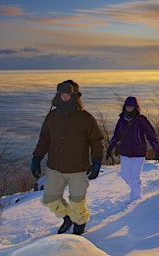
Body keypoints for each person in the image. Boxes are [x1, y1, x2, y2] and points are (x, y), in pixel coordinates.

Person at [31, 80, 104, 235]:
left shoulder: (85, 118)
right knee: (51, 198)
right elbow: (44, 139)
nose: (64, 97)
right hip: (55, 166)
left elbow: (96, 141)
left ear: (74, 96)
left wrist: (97, 161)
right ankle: (68, 217)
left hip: (77, 167)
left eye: (68, 94)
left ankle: (80, 226)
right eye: (62, 94)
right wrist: (37, 158)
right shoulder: (52, 116)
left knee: (77, 201)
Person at [106, 96, 159, 203]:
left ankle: (135, 200)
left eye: (131, 107)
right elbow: (116, 135)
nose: (129, 109)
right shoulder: (122, 120)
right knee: (124, 175)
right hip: (125, 152)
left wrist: (156, 149)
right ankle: (136, 189)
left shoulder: (141, 120)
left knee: (135, 177)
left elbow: (151, 135)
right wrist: (110, 148)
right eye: (127, 107)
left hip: (138, 152)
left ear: (136, 108)